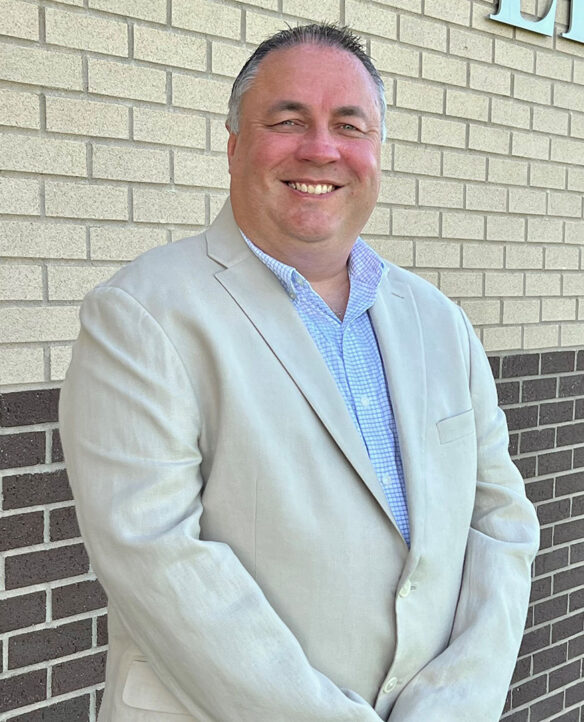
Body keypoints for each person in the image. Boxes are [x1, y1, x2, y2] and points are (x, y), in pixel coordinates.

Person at [59, 23, 540, 722]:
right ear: (233, 146)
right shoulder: (141, 315)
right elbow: (156, 560)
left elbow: (501, 524)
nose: (321, 149)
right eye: (287, 122)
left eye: (350, 125)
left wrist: (452, 707)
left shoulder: (442, 323)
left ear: (375, 151)